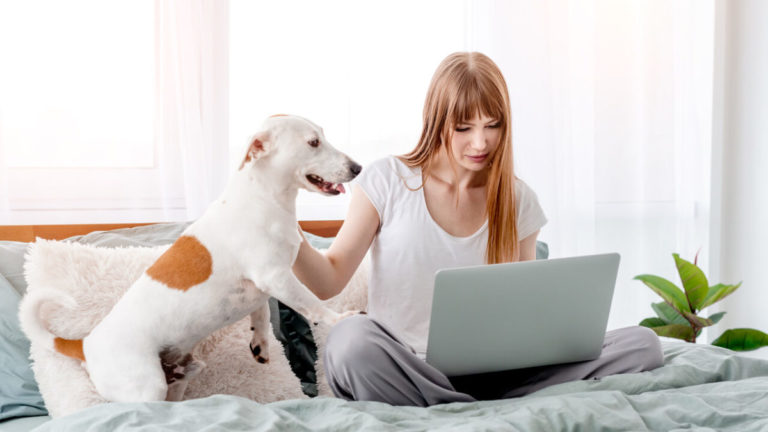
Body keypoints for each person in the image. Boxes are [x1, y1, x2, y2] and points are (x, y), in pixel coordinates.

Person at [292, 52, 663, 407]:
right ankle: (471, 408)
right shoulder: (387, 179)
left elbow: (528, 311)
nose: (480, 142)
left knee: (644, 344)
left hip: (498, 375)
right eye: (465, 128)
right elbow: (329, 281)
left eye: (492, 125)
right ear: (438, 122)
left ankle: (453, 407)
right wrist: (282, 234)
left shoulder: (518, 199)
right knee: (349, 341)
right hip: (406, 366)